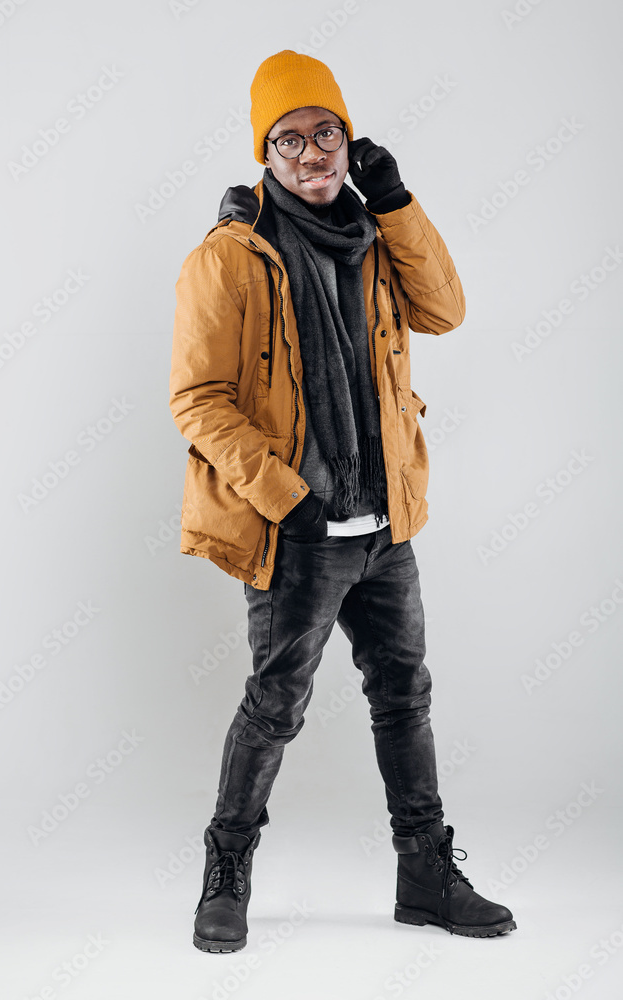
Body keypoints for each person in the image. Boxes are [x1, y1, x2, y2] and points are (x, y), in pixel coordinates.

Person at [169, 49, 516, 953]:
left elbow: (444, 310)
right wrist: (286, 499)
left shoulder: (374, 236)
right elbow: (196, 399)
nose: (313, 152)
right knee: (275, 703)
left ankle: (424, 876)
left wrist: (396, 201)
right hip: (297, 530)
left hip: (385, 523)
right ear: (265, 152)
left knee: (404, 694)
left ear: (347, 139)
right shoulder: (229, 257)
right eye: (291, 138)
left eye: (328, 132)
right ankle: (226, 870)